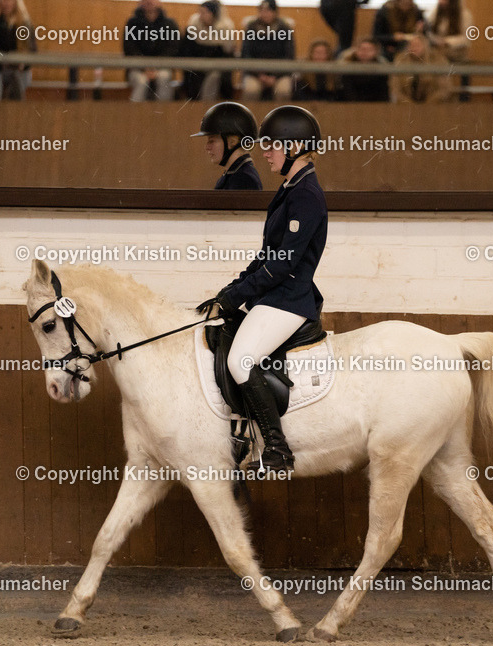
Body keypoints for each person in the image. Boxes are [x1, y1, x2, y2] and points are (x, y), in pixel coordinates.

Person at [196, 106, 328, 472]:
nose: (265, 151)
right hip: (274, 297)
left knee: (241, 360)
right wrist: (231, 290)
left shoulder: (306, 195)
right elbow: (266, 256)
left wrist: (237, 296)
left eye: (272, 145)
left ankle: (276, 448)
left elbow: (283, 264)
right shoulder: (291, 189)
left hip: (289, 300)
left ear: (296, 147)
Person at [191, 102, 263, 190]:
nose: (207, 147)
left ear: (232, 141)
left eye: (212, 140)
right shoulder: (233, 174)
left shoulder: (243, 179)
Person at [123, 0, 181, 102]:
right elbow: (129, 48)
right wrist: (144, 67)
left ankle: (164, 115)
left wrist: (156, 67)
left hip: (162, 67)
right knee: (141, 81)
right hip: (137, 68)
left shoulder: (170, 24)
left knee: (164, 77)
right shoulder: (132, 23)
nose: (149, 1)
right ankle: (135, 115)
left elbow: (173, 48)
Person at [240, 0, 296, 101]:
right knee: (251, 90)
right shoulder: (251, 28)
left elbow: (289, 56)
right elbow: (246, 54)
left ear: (275, 12)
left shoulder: (285, 29)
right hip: (255, 73)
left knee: (283, 91)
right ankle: (251, 116)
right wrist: (259, 75)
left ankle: (280, 117)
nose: (265, 14)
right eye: (262, 10)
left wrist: (275, 76)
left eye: (268, 11)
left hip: (280, 74)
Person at [180, 0, 236, 101]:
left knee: (214, 77)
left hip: (216, 67)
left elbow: (227, 54)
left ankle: (206, 108)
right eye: (200, 12)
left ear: (213, 14)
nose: (201, 16)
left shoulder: (225, 28)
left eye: (205, 12)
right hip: (196, 67)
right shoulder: (193, 27)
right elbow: (186, 51)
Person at [392, 33, 451, 103]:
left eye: (417, 45)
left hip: (433, 105)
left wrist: (429, 104)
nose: (414, 48)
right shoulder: (401, 60)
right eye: (412, 45)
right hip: (407, 107)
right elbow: (395, 88)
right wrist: (408, 105)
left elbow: (444, 89)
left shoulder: (438, 60)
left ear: (425, 46)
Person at [0, 0, 36, 100]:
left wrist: (23, 63)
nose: (6, 3)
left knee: (17, 77)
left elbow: (32, 50)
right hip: (0, 67)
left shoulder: (24, 23)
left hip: (19, 69)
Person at [338, 38, 390, 102]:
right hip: (351, 106)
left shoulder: (382, 67)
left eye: (369, 50)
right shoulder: (347, 67)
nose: (364, 52)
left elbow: (384, 94)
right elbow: (347, 92)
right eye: (361, 49)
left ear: (376, 52)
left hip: (376, 106)